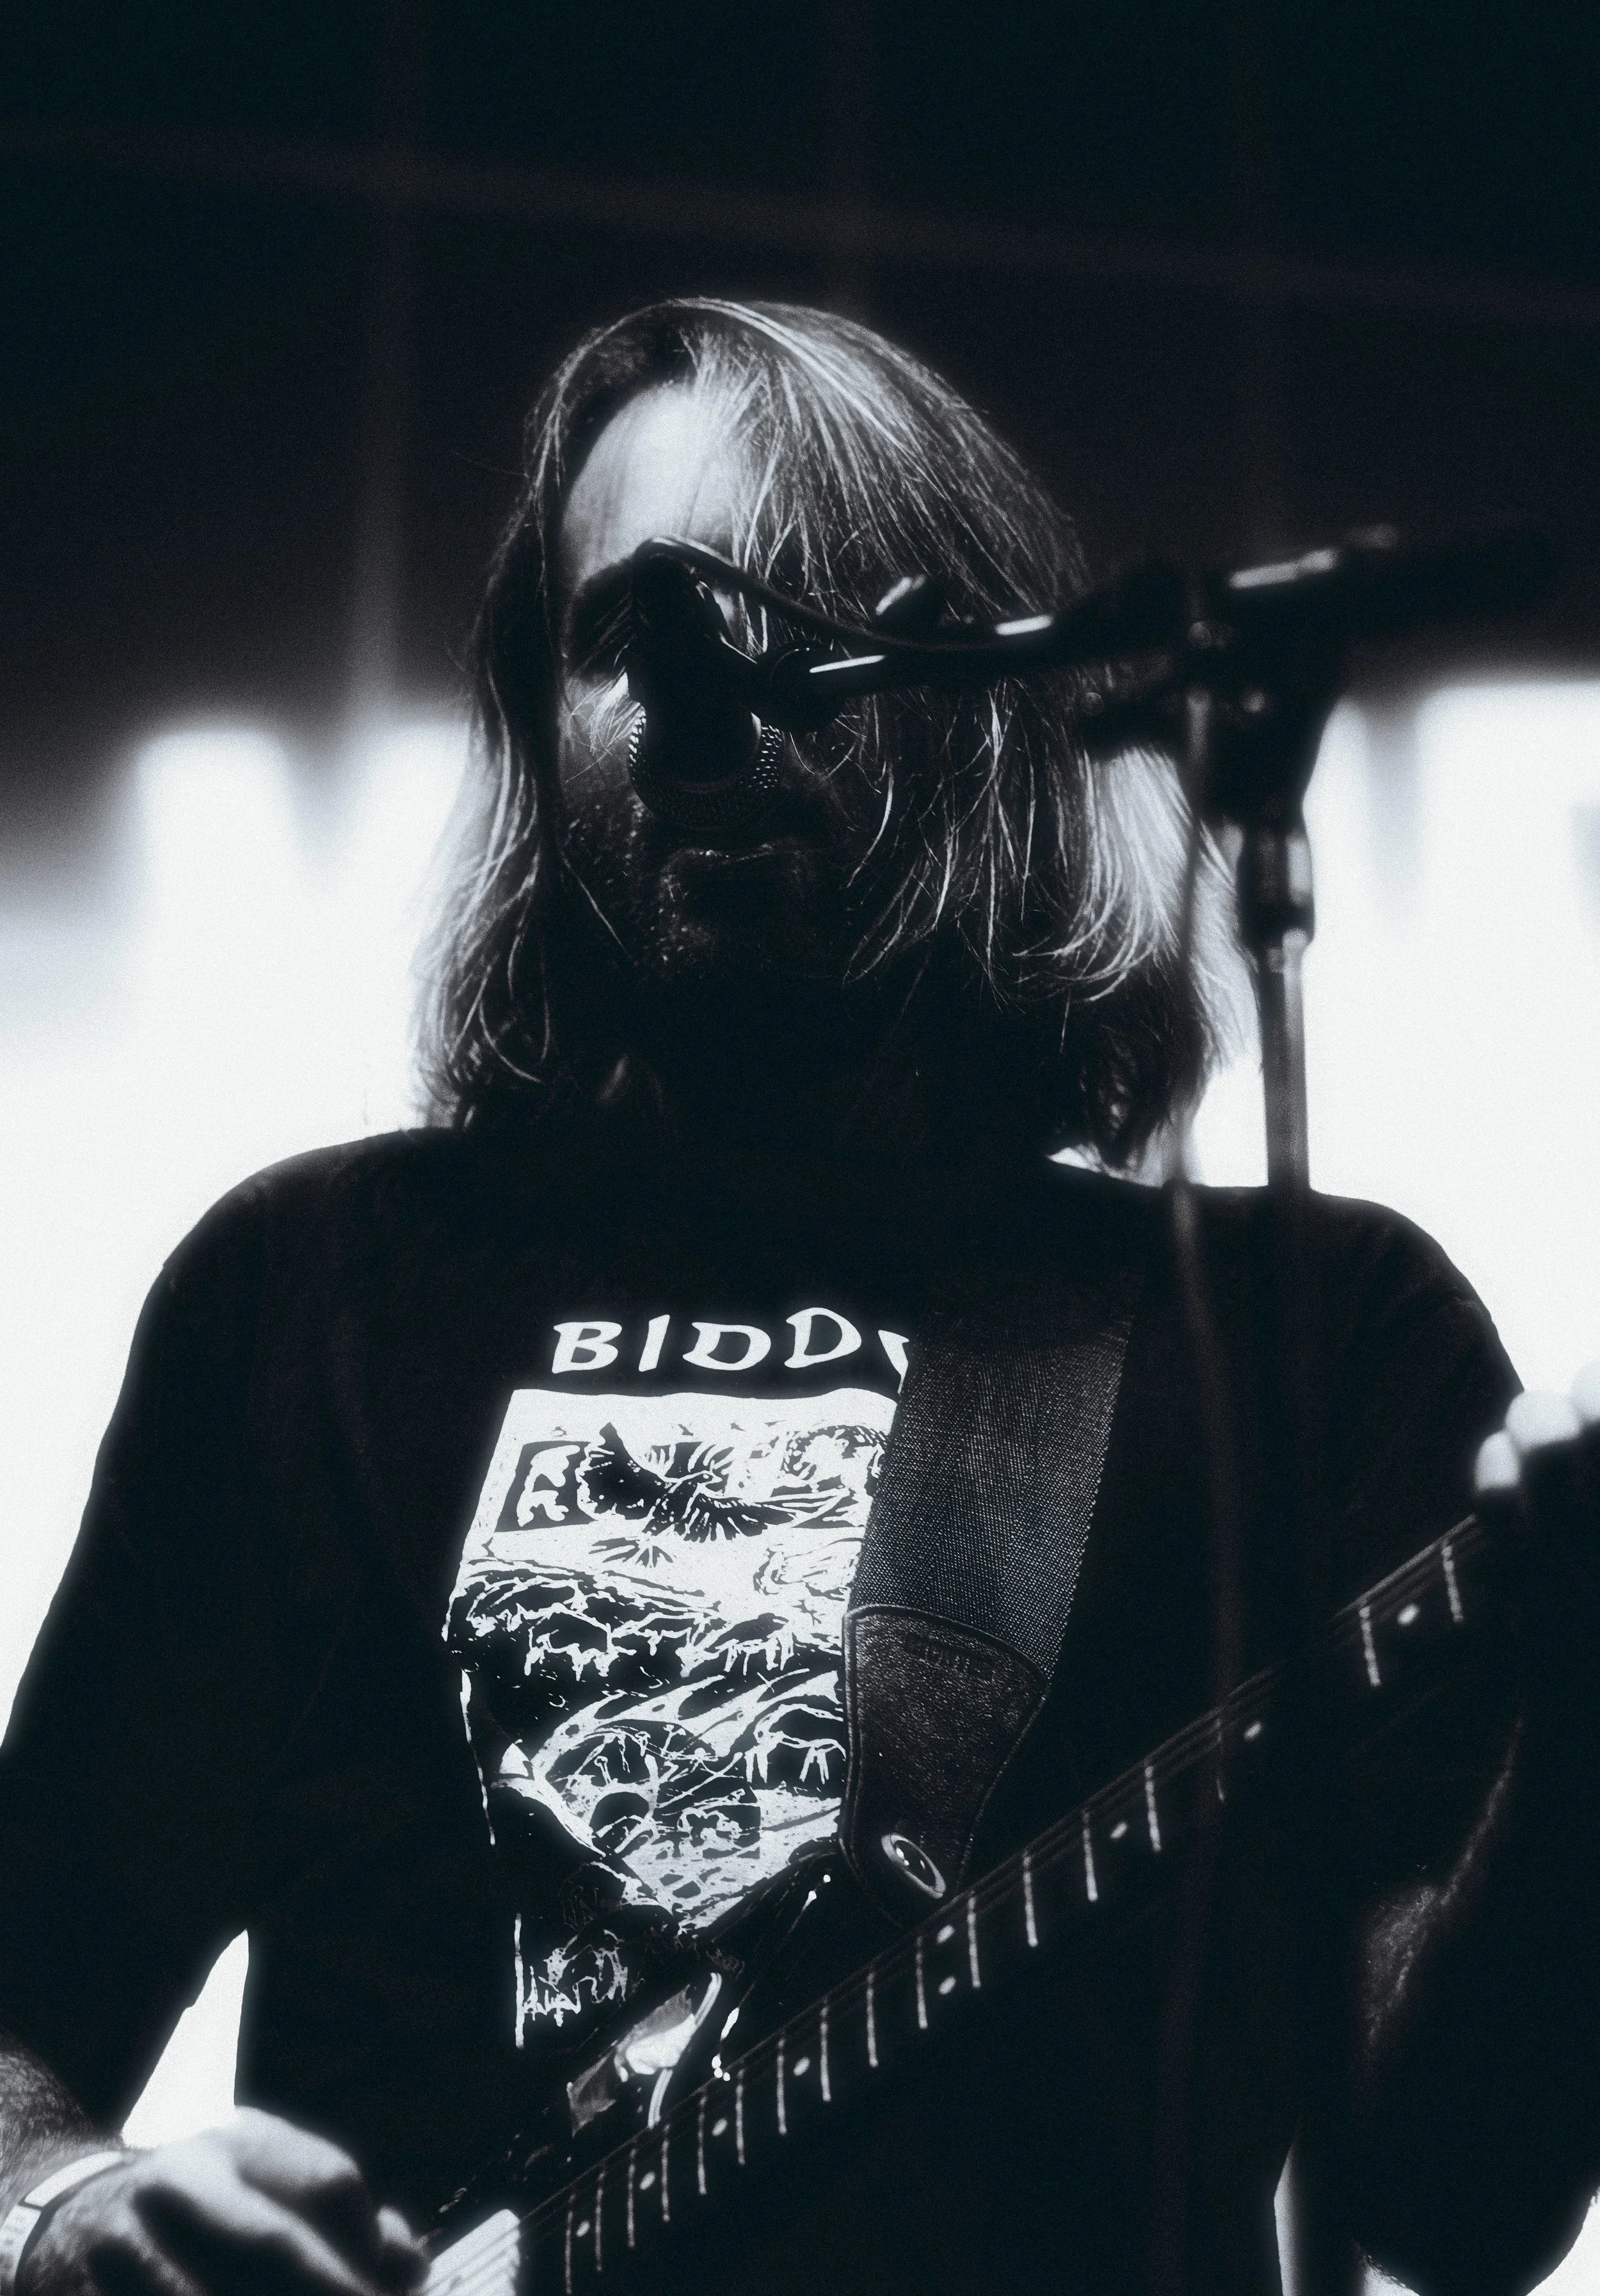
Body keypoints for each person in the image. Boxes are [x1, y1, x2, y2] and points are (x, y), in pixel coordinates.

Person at [2, 297, 1599, 2296]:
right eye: (614, 638)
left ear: (983, 691)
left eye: (787, 617)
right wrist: (56, 2207)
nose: (689, 696)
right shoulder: (318, 1282)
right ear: (535, 723)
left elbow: (1448, 2206)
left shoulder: (1301, 1325)